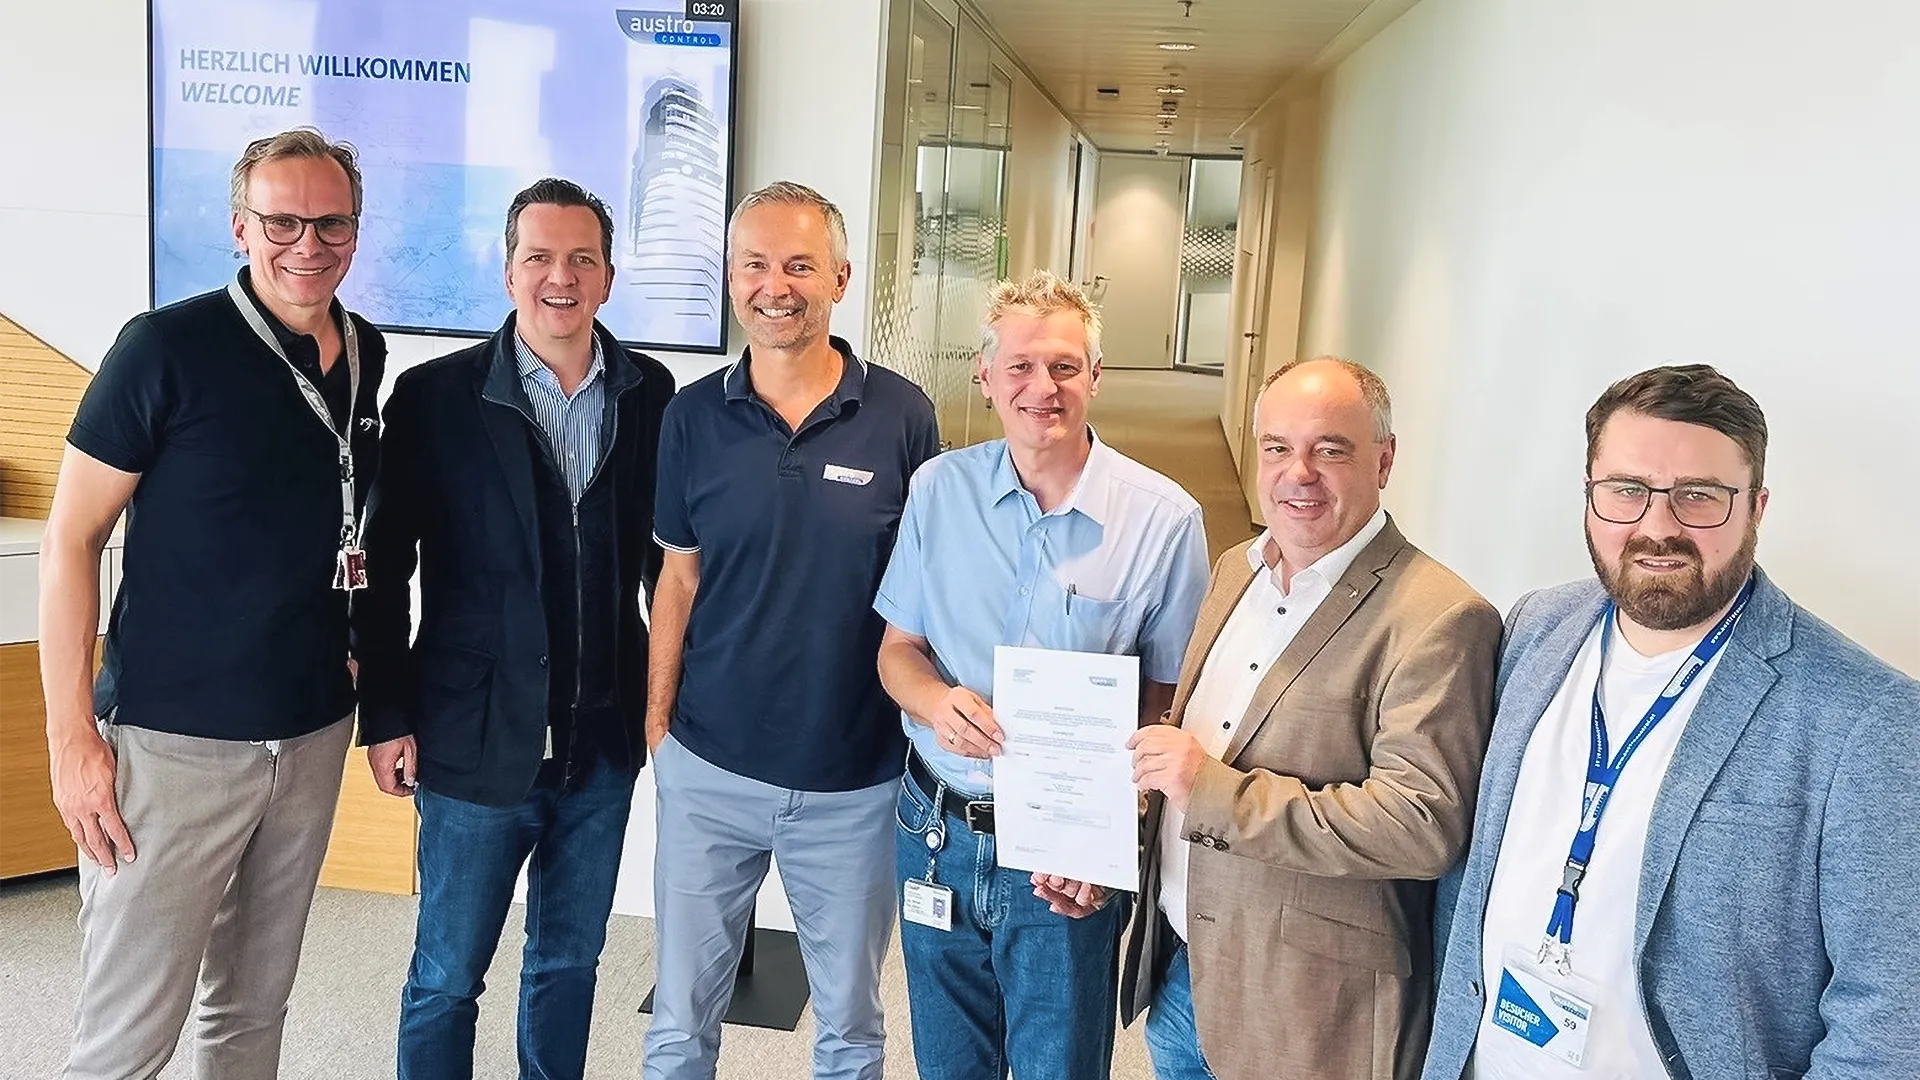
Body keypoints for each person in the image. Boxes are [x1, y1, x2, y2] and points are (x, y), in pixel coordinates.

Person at [1422, 364, 1920, 1080]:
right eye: (1627, 490)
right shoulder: (1535, 628)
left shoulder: (1868, 719)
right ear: (1591, 497)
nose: (1658, 527)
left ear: (1757, 506)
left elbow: (1891, 1022)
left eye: (1699, 496)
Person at [40, 127, 386, 1079]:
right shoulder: (163, 348)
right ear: (242, 226)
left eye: (330, 223)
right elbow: (71, 541)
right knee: (126, 1039)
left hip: (310, 735)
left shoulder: (363, 351)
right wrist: (72, 740)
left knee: (251, 1010)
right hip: (171, 746)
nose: (307, 244)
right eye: (283, 221)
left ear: (356, 232)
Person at [353, 178, 675, 1080]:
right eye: (539, 257)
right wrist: (386, 714)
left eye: (582, 259)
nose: (559, 277)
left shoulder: (651, 393)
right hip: (470, 742)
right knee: (449, 977)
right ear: (507, 272)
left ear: (609, 278)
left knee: (569, 965)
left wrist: (669, 707)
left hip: (600, 747)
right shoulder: (434, 397)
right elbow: (382, 572)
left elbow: (669, 571)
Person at [1116, 357, 1501, 1080]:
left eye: (1330, 449)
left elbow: (1422, 827)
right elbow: (1202, 746)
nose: (1299, 472)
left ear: (1384, 460)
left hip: (1310, 1013)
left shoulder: (1439, 617)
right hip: (1184, 974)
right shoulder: (1236, 568)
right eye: (1277, 447)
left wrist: (1213, 790)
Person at [874, 269, 1211, 1080]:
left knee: (1060, 1066)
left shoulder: (1164, 519)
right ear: (985, 378)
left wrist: (1105, 837)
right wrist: (935, 699)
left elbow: (1172, 705)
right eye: (1020, 366)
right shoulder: (938, 490)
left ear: (1096, 377)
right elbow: (896, 652)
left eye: (1064, 366)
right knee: (949, 1065)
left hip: (1067, 852)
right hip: (936, 831)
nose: (1042, 387)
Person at [642, 181, 940, 1080]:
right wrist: (658, 730)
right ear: (732, 279)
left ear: (840, 278)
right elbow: (678, 578)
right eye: (755, 265)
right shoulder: (691, 416)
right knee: (677, 1024)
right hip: (708, 769)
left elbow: (925, 595)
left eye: (800, 265)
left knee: (850, 1028)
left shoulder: (902, 415)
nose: (776, 285)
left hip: (853, 782)